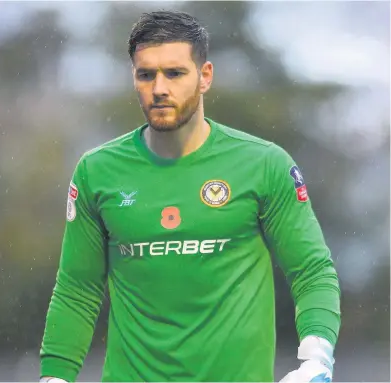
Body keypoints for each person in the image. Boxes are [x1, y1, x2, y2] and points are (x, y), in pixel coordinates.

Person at [39, 10, 341, 383]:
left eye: (175, 73)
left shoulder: (265, 165)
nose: (159, 88)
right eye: (145, 74)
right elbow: (77, 289)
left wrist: (316, 358)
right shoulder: (96, 172)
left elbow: (311, 271)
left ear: (205, 77)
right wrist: (53, 376)